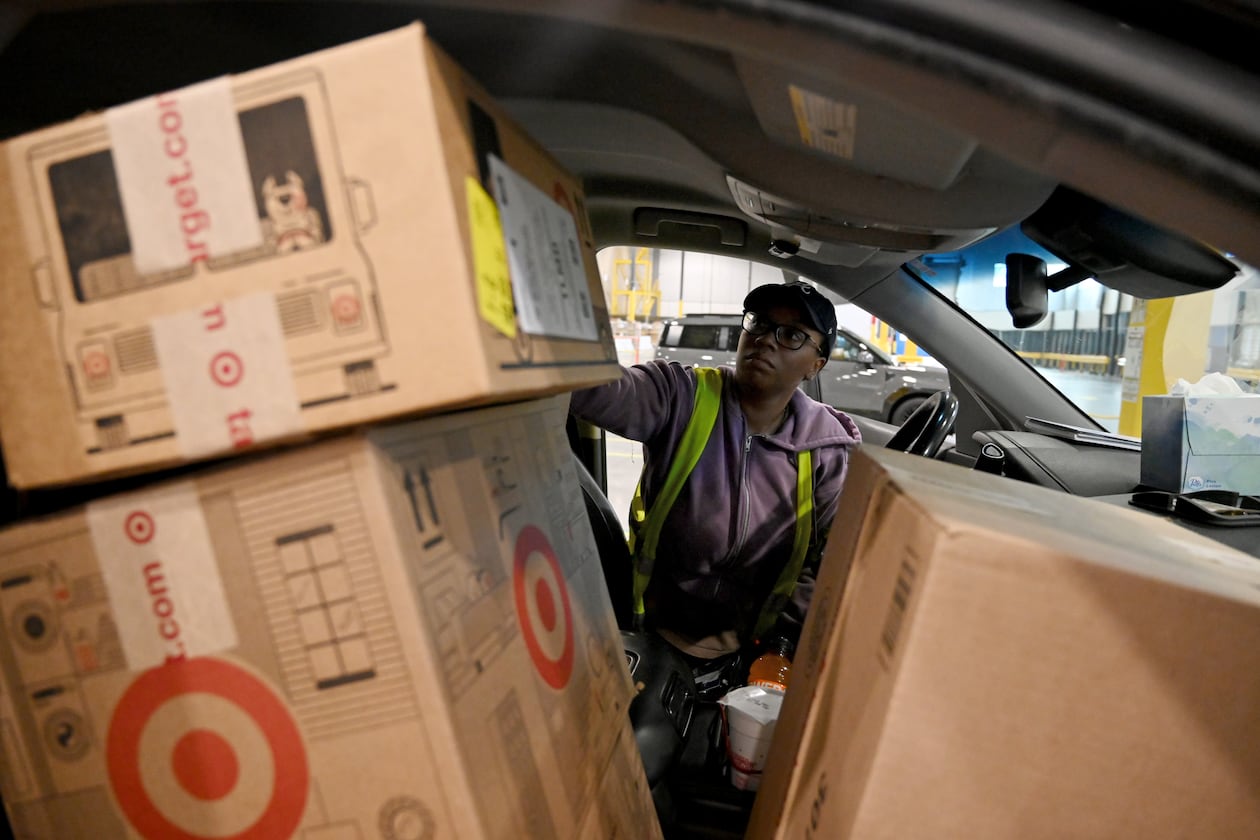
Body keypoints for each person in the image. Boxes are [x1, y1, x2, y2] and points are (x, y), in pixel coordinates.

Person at [569, 281, 861, 676]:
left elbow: (830, 562)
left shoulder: (827, 450)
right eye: (758, 323)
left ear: (816, 364)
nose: (764, 341)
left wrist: (781, 647)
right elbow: (602, 391)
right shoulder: (684, 396)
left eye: (792, 335)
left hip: (752, 658)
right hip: (647, 637)